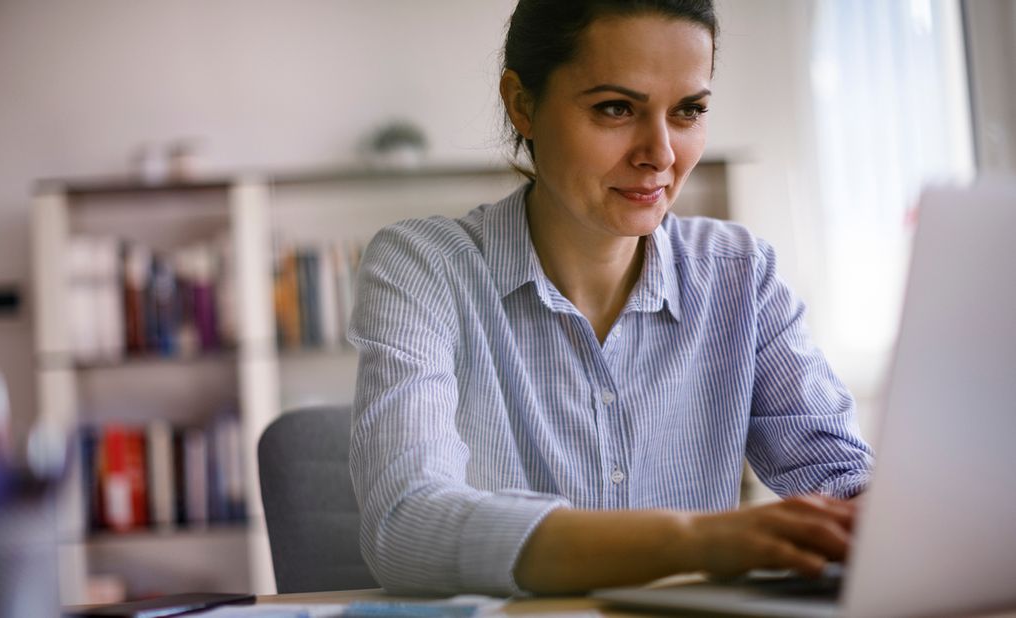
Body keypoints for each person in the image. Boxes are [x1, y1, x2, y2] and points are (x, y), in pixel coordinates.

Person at [348, 0, 873, 596]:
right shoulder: (425, 269)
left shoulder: (742, 276)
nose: (662, 154)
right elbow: (406, 527)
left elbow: (848, 481)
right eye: (615, 108)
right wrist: (695, 540)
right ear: (522, 104)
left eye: (688, 111)